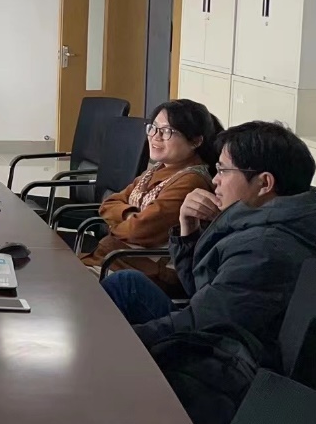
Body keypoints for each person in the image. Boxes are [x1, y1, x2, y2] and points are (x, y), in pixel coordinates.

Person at [102, 121, 316, 361]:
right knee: (127, 284)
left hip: (225, 359)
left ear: (264, 183)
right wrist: (188, 230)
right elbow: (202, 290)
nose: (214, 180)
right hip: (218, 331)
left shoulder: (264, 250)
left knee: (109, 336)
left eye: (223, 170)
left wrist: (119, 341)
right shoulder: (287, 215)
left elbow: (200, 323)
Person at [79, 100, 222, 292]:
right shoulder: (157, 169)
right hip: (114, 260)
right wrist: (130, 215)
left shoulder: (190, 181)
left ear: (196, 141)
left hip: (140, 274)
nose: (155, 136)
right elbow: (108, 203)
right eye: (153, 128)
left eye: (167, 131)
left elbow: (137, 230)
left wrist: (118, 223)